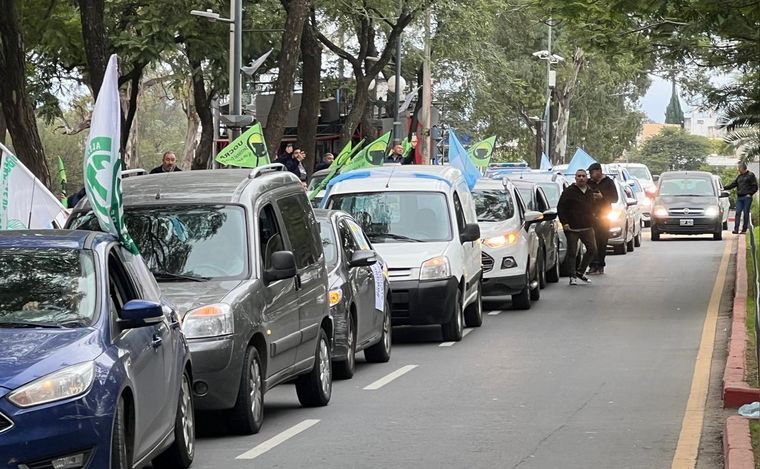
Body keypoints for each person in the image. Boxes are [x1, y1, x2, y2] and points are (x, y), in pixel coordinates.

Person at [557, 169, 598, 285]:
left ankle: (580, 272)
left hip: (587, 227)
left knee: (592, 249)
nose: (581, 178)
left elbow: (593, 207)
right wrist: (564, 223)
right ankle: (572, 276)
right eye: (578, 176)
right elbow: (561, 208)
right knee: (572, 252)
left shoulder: (590, 191)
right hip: (572, 228)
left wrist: (594, 218)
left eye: (583, 176)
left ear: (587, 178)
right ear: (575, 178)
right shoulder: (569, 192)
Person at [586, 162, 617, 275]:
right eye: (589, 173)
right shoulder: (589, 183)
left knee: (602, 241)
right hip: (591, 216)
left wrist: (602, 197)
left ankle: (600, 264)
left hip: (604, 215)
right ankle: (592, 265)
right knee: (591, 241)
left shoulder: (608, 182)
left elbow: (614, 198)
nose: (590, 175)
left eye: (592, 172)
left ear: (599, 171)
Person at [725, 161, 758, 234]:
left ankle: (744, 229)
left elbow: (755, 186)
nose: (738, 169)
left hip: (747, 198)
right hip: (739, 197)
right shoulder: (739, 176)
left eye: (739, 167)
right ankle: (736, 229)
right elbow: (733, 184)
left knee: (746, 213)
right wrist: (724, 188)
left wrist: (750, 194)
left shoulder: (750, 175)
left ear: (742, 168)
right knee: (738, 212)